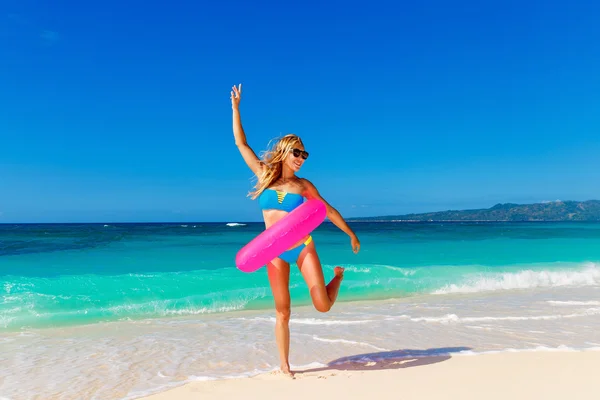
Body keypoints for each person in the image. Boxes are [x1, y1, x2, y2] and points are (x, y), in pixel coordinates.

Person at [230, 83, 361, 376]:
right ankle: (285, 366)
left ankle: (337, 278)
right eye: (298, 153)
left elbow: (327, 210)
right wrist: (236, 108)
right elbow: (242, 144)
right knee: (282, 311)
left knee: (322, 305)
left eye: (305, 155)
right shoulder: (265, 174)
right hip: (274, 251)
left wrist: (350, 234)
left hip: (302, 247)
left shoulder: (304, 186)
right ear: (286, 151)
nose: (302, 158)